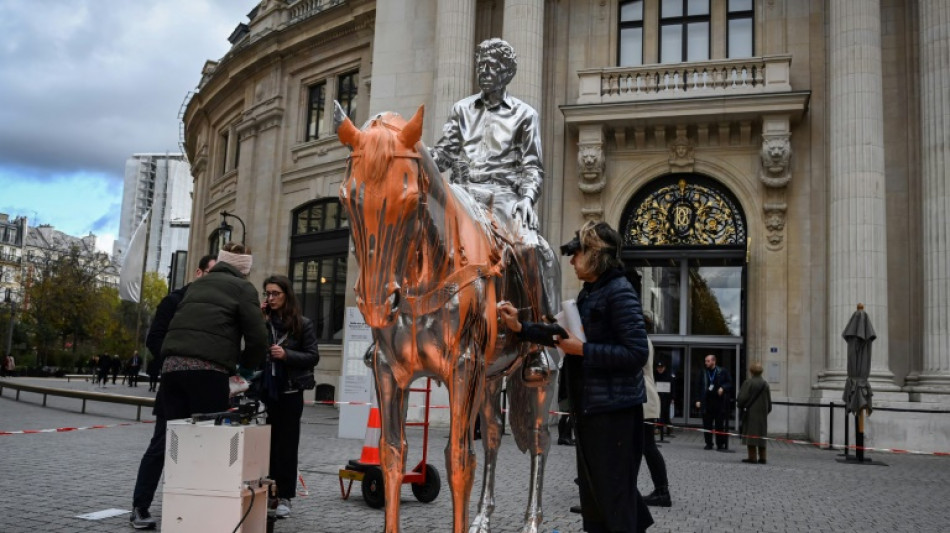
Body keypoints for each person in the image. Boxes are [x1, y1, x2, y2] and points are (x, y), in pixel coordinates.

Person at [500, 220, 653, 533]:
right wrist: (521, 327)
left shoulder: (620, 292)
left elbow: (637, 353)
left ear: (596, 255)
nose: (571, 261)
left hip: (615, 414)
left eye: (577, 254)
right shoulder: (591, 292)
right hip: (590, 409)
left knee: (615, 497)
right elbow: (563, 337)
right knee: (595, 497)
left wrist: (584, 350)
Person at [430, 37, 559, 381]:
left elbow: (533, 168)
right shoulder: (461, 110)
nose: (484, 72)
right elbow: (442, 153)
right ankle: (398, 327)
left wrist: (527, 200)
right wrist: (416, 154)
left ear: (507, 73)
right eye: (481, 66)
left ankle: (536, 345)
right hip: (461, 196)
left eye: (492, 67)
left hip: (503, 200)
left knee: (531, 249)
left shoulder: (525, 114)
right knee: (414, 237)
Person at [129, 254, 216, 530]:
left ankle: (190, 504)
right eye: (211, 273)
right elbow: (154, 338)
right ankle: (139, 507)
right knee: (160, 446)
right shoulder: (174, 301)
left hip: (205, 388)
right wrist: (178, 360)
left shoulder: (217, 305)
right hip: (175, 386)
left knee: (201, 448)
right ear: (198, 272)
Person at [259, 274, 319, 519]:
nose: (271, 298)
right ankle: (269, 492)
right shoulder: (265, 322)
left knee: (287, 445)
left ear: (287, 295)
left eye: (275, 294)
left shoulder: (302, 324)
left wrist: (287, 355)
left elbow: (313, 356)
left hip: (291, 391)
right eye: (268, 294)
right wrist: (259, 320)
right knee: (267, 445)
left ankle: (285, 495)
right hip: (267, 390)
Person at [640, 318, 671, 508]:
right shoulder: (643, 339)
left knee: (648, 447)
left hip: (645, 399)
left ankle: (662, 491)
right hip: (644, 398)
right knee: (643, 447)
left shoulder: (640, 340)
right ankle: (661, 490)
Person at [695, 354, 733, 450]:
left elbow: (730, 383)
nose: (706, 363)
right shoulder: (703, 372)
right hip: (706, 402)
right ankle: (709, 443)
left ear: (713, 361)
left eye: (708, 361)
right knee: (707, 424)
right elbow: (697, 387)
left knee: (719, 425)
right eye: (705, 361)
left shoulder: (722, 371)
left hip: (719, 403)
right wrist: (697, 400)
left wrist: (723, 388)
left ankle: (720, 444)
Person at [737, 361, 772, 464]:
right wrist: (766, 411)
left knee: (751, 434)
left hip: (751, 413)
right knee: (761, 434)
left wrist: (740, 405)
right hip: (762, 414)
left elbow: (742, 398)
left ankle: (752, 457)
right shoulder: (765, 384)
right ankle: (763, 457)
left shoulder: (748, 382)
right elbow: (769, 403)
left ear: (751, 371)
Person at [654, 360, 673, 438]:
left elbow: (673, 388)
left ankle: (668, 428)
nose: (660, 369)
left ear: (664, 368)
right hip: (657, 398)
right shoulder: (654, 375)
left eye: (661, 367)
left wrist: (672, 398)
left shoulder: (669, 376)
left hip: (666, 398)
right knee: (659, 414)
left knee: (666, 413)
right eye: (658, 367)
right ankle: (659, 428)